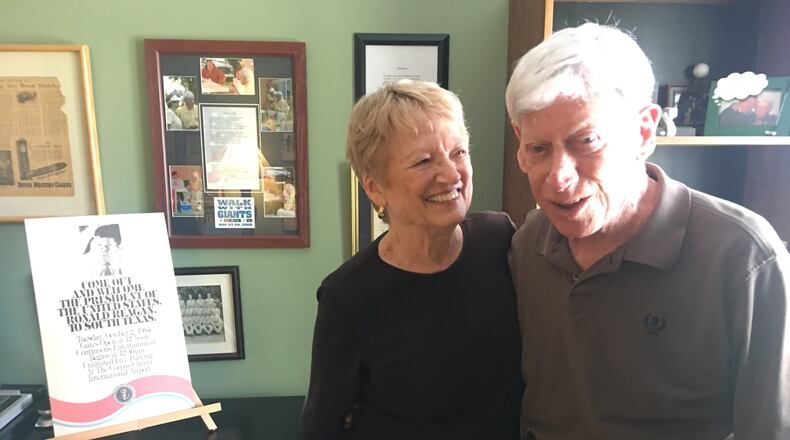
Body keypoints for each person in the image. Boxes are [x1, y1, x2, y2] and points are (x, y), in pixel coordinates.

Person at [506, 23, 790, 439]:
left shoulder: (744, 258)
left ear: (643, 131)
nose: (558, 178)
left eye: (586, 141)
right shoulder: (528, 242)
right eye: (538, 148)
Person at [299, 80, 523, 439]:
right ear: (374, 187)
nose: (451, 175)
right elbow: (320, 429)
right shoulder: (348, 297)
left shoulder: (501, 240)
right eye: (423, 161)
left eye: (458, 152)